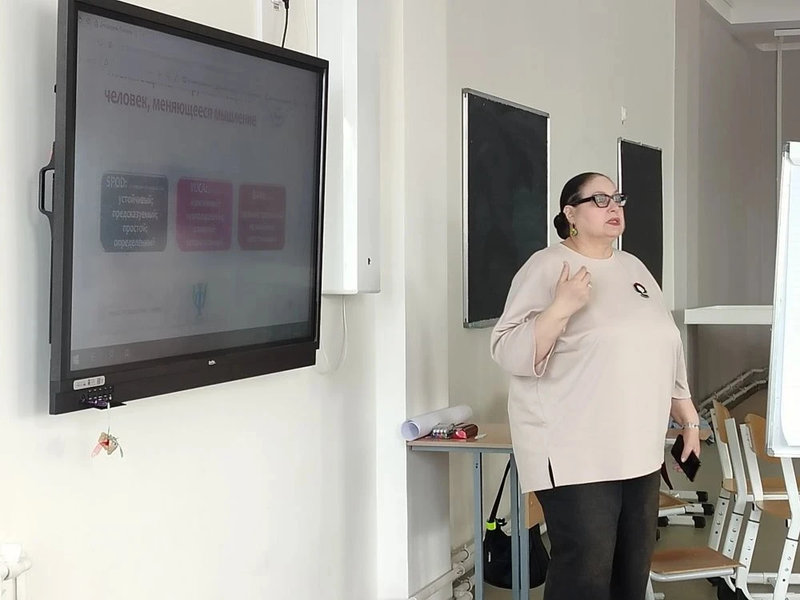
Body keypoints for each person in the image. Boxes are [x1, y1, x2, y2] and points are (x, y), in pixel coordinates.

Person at [490, 172, 701, 600]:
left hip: (639, 448)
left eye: (617, 198)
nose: (614, 207)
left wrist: (686, 410)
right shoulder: (547, 266)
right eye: (600, 199)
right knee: (586, 569)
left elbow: (666, 339)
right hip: (575, 451)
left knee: (632, 569)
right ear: (571, 213)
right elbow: (506, 349)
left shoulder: (633, 267)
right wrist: (560, 307)